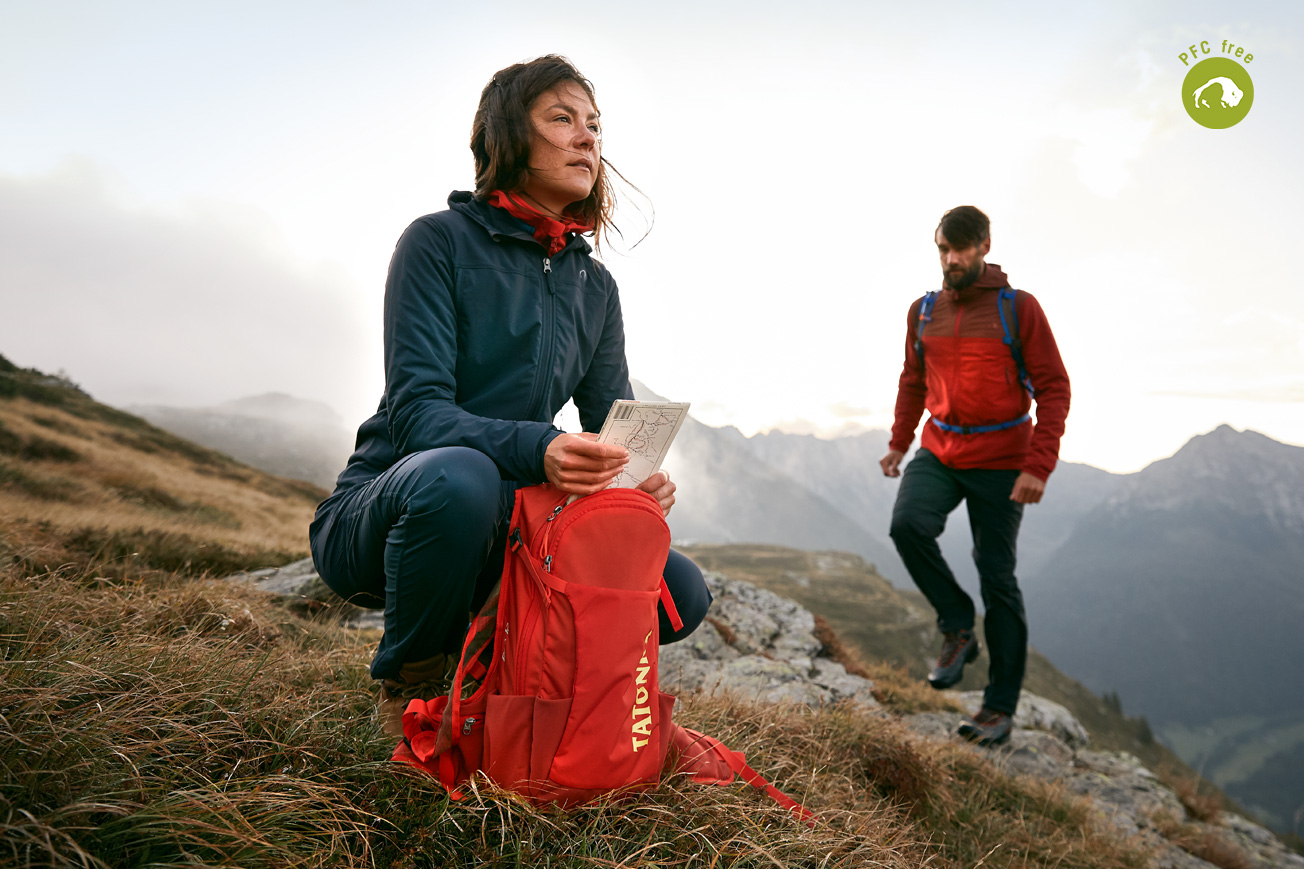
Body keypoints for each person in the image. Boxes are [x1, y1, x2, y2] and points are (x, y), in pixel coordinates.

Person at [309, 55, 711, 737]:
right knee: (458, 478)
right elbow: (417, 416)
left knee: (681, 590)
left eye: (594, 125)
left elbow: (610, 424)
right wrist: (543, 446)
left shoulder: (595, 287)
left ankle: (511, 659)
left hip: (515, 516)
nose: (588, 138)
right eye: (562, 119)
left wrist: (631, 487)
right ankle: (412, 682)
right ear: (506, 137)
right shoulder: (436, 243)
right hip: (392, 510)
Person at [880, 206, 1070, 746]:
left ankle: (998, 709)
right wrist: (899, 443)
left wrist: (1038, 465)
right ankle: (957, 624)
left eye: (962, 248)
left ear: (985, 245)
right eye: (944, 249)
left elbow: (1055, 388)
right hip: (940, 450)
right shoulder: (923, 312)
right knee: (907, 526)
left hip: (1004, 461)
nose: (952, 259)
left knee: (997, 576)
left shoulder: (1018, 309)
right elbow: (912, 381)